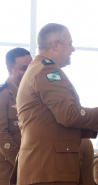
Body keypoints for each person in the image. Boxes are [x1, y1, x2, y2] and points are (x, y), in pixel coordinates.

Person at [13, 23, 98, 185]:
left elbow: (54, 121)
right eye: (70, 43)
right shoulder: (47, 70)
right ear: (55, 45)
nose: (73, 49)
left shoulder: (37, 68)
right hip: (49, 170)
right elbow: (68, 115)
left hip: (44, 168)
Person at [0, 48, 32, 185]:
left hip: (31, 168)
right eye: (23, 68)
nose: (28, 73)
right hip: (9, 170)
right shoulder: (3, 94)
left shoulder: (32, 94)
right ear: (9, 69)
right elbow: (1, 134)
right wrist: (23, 163)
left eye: (30, 68)